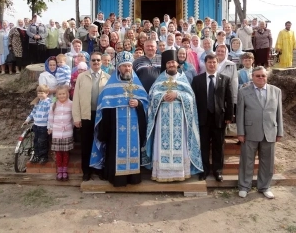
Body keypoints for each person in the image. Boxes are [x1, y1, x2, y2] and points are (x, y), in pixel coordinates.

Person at [90, 51, 148, 187]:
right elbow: (104, 106)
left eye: (129, 66)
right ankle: (117, 179)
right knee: (114, 150)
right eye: (124, 66)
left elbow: (146, 104)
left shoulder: (137, 86)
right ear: (118, 68)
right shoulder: (110, 87)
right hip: (115, 128)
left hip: (134, 127)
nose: (127, 68)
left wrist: (138, 104)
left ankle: (133, 178)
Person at [145, 50, 203, 182]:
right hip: (162, 120)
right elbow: (152, 96)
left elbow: (191, 98)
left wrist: (178, 95)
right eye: (169, 62)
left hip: (180, 121)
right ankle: (161, 174)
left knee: (180, 144)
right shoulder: (159, 80)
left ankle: (180, 173)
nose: (171, 64)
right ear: (165, 65)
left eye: (173, 62)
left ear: (178, 64)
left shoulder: (183, 80)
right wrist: (162, 96)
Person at [237, 66, 283, 199]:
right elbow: (239, 114)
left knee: (267, 162)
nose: (261, 78)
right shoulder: (243, 92)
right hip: (250, 131)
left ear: (266, 77)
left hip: (270, 131)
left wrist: (279, 131)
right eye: (258, 76)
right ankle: (244, 186)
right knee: (247, 161)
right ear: (252, 77)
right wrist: (240, 132)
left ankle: (264, 187)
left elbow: (279, 112)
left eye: (263, 75)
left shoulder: (276, 91)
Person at [192, 54, 234, 181]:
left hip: (219, 119)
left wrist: (229, 116)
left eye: (214, 62)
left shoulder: (225, 79)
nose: (211, 64)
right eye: (209, 62)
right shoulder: (197, 80)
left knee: (218, 146)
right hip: (202, 118)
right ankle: (204, 171)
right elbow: (193, 100)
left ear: (217, 63)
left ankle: (217, 171)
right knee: (203, 146)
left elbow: (229, 99)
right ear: (205, 63)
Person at [72, 52, 110, 181]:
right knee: (86, 144)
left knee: (101, 142)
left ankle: (99, 169)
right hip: (86, 115)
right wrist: (76, 117)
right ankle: (86, 171)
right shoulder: (82, 77)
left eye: (98, 60)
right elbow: (76, 98)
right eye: (93, 60)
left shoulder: (108, 77)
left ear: (102, 61)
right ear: (90, 62)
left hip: (102, 116)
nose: (96, 62)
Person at [47, 85, 74, 180]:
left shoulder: (71, 104)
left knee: (66, 152)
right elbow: (50, 117)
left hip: (67, 132)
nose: (62, 96)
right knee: (58, 152)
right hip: (57, 132)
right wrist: (50, 127)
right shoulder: (53, 105)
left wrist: (74, 125)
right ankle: (59, 170)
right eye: (60, 94)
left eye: (63, 94)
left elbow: (73, 117)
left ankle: (65, 170)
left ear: (67, 94)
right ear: (57, 95)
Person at [23, 84, 52, 164]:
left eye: (42, 93)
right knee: (36, 141)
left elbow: (50, 115)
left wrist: (49, 126)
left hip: (44, 126)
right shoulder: (37, 102)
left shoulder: (49, 102)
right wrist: (28, 119)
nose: (40, 95)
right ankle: (36, 155)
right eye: (38, 93)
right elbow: (33, 112)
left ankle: (43, 157)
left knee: (42, 141)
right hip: (36, 125)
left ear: (47, 93)